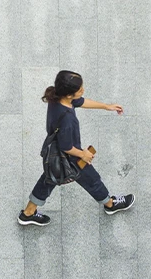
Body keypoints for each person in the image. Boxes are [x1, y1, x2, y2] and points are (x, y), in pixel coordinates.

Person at [18, 69, 134, 226]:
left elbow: (82, 101)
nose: (83, 90)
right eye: (79, 89)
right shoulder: (67, 119)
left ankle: (28, 213)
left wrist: (106, 107)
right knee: (92, 180)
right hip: (71, 158)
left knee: (49, 178)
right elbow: (67, 146)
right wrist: (83, 154)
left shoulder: (56, 97)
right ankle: (110, 204)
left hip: (53, 153)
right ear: (69, 95)